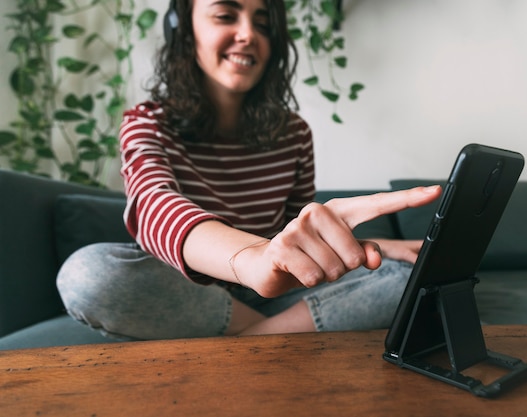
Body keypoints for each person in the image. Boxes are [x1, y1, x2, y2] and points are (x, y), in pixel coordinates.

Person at [56, 0, 441, 340]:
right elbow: (154, 206)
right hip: (190, 291)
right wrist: (252, 258)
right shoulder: (146, 123)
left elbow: (296, 236)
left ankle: (243, 344)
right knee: (88, 275)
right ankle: (276, 336)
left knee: (404, 280)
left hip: (274, 291)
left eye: (263, 24)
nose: (247, 34)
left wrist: (351, 249)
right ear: (183, 30)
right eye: (225, 15)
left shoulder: (293, 133)